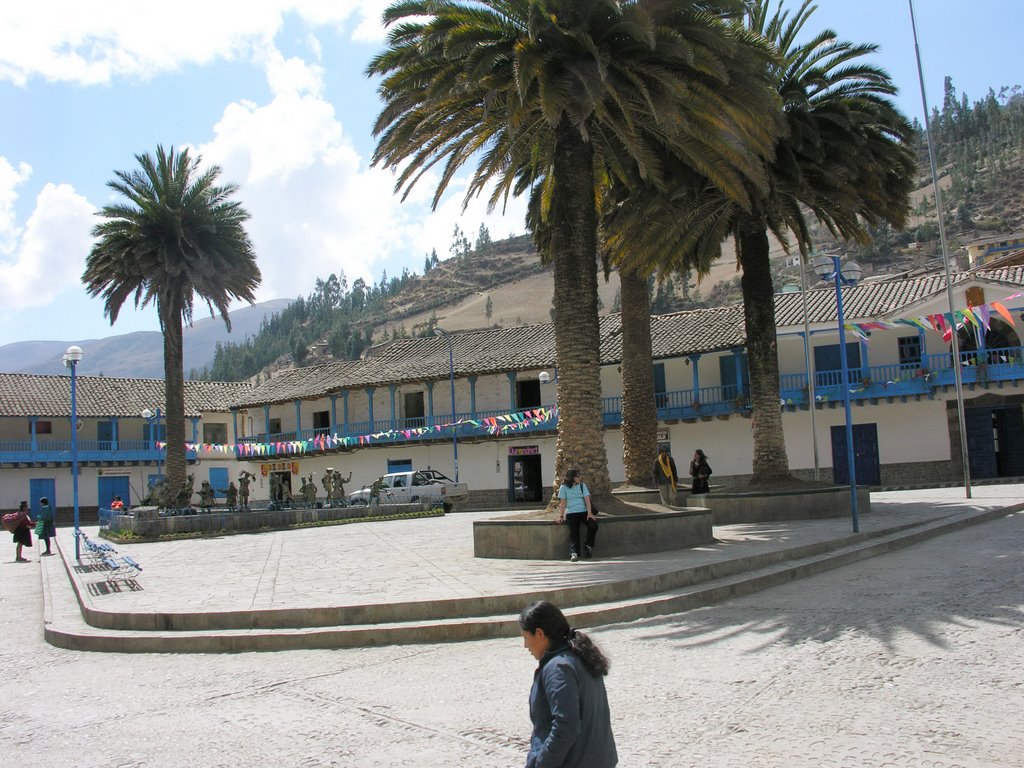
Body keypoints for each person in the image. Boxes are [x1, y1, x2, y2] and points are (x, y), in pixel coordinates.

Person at [519, 601, 617, 768]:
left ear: (540, 634)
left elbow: (566, 726)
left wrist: (542, 764)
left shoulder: (558, 668)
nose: (525, 645)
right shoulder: (581, 655)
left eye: (526, 638)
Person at [557, 468, 598, 562]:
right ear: (572, 477)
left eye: (579, 475)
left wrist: (589, 513)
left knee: (593, 525)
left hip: (583, 512)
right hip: (571, 513)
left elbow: (587, 500)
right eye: (577, 476)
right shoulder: (563, 488)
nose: (579, 477)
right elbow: (562, 503)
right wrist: (561, 517)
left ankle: (588, 545)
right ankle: (574, 553)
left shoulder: (582, 486)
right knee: (574, 532)